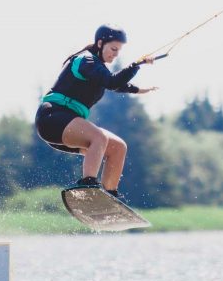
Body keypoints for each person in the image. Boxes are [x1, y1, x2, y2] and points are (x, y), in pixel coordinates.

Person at [34, 24, 158, 199]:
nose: (115, 54)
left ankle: (110, 196)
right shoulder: (86, 60)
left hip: (68, 125)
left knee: (117, 147)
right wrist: (137, 64)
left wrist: (138, 90)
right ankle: (88, 184)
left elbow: (117, 85)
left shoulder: (97, 68)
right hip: (52, 119)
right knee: (99, 138)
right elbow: (112, 82)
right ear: (100, 43)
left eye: (118, 51)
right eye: (113, 49)